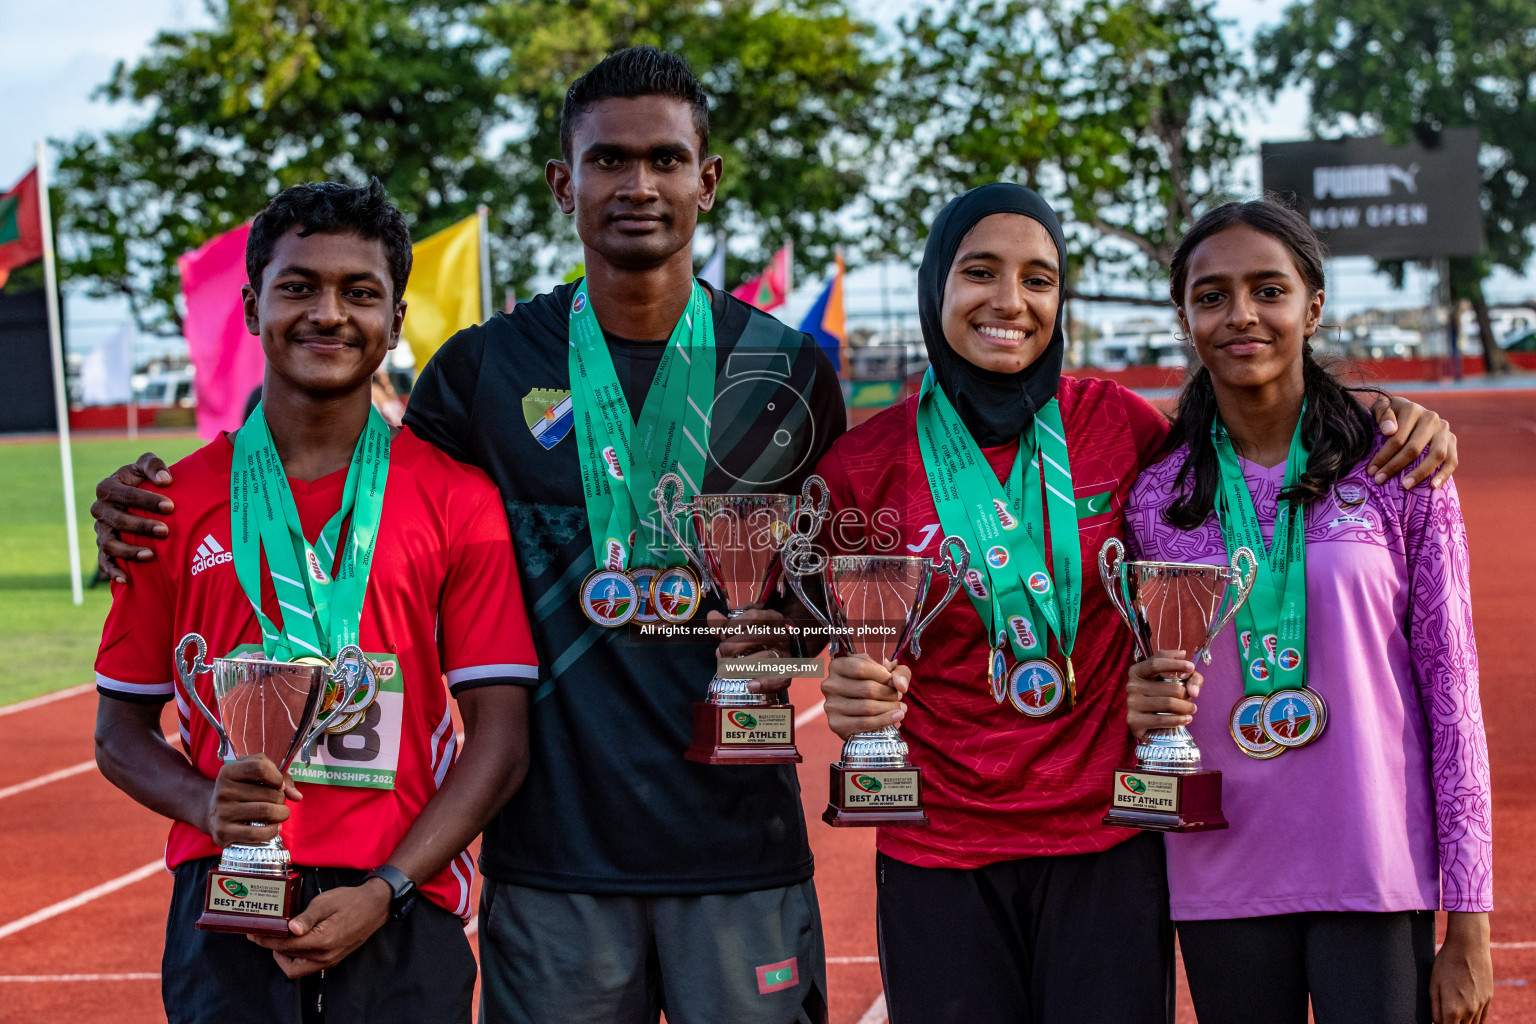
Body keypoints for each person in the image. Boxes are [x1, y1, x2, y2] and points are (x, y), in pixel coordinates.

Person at [90, 47, 843, 1024]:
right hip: (549, 861)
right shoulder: (482, 373)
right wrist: (158, 501)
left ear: (709, 178)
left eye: (665, 159)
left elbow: (842, 575)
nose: (639, 185)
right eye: (610, 161)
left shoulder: (790, 370)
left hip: (741, 849)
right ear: (561, 183)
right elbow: (346, 470)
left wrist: (792, 629)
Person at [813, 182, 1460, 1023]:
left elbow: (1248, 449)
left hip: (1108, 842)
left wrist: (1386, 417)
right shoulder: (863, 464)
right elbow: (817, 628)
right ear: (937, 285)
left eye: (1039, 279)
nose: (1010, 301)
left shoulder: (1121, 428)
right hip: (938, 846)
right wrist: (844, 687)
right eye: (980, 272)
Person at [92, 180, 537, 1024]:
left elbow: (501, 739)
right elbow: (119, 730)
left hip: (400, 905)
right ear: (253, 303)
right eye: (299, 286)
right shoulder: (168, 506)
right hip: (223, 902)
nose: (327, 313)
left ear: (396, 322)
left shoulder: (458, 500)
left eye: (359, 292)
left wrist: (389, 888)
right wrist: (204, 804)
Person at [1122, 199, 1492, 1024]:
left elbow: (1453, 694)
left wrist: (1469, 923)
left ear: (1312, 305)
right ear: (1185, 317)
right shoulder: (1156, 497)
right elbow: (1138, 678)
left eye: (1268, 289)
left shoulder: (1398, 466)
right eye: (1211, 296)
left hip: (1374, 864)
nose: (1240, 315)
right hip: (1219, 869)